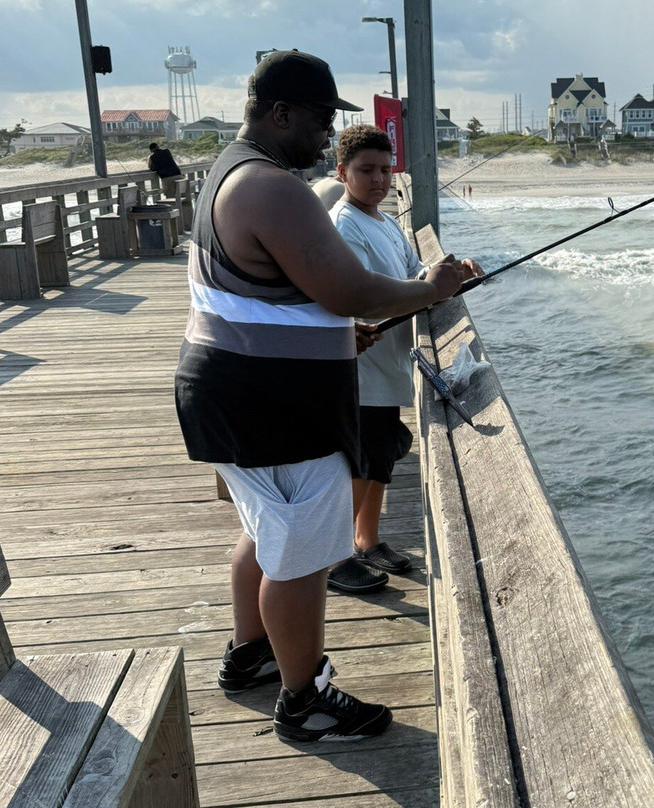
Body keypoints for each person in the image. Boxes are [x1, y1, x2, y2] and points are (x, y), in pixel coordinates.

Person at [173, 49, 469, 744]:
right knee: (302, 559)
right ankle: (303, 699)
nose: (322, 136)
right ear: (280, 113)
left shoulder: (230, 171)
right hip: (270, 407)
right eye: (316, 120)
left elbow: (282, 295)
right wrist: (433, 289)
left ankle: (253, 656)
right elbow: (348, 289)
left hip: (235, 390)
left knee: (265, 533)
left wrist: (339, 336)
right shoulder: (270, 186)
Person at [327, 124, 482, 592]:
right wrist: (427, 290)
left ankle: (366, 539)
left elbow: (413, 273)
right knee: (359, 462)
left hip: (388, 365)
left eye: (384, 169)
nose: (378, 179)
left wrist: (451, 273)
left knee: (382, 454)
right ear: (342, 173)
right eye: (365, 170)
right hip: (362, 368)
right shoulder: (343, 226)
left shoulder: (382, 219)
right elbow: (362, 298)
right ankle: (333, 559)